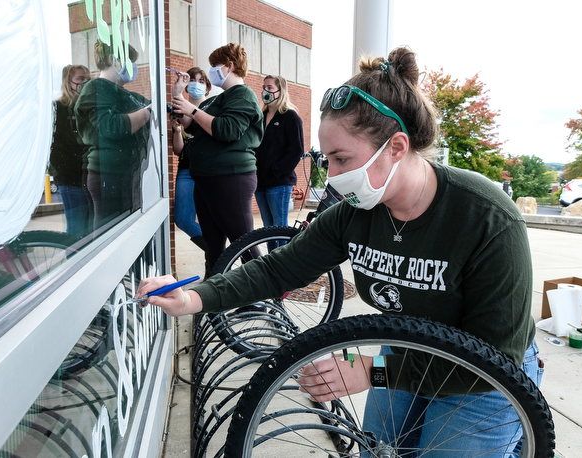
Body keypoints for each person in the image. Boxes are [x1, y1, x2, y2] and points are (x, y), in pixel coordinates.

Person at [140, 46, 541, 455]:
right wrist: (193, 296)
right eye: (326, 159)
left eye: (342, 158)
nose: (332, 175)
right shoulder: (355, 213)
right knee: (377, 449)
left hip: (483, 376)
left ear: (397, 148)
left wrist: (372, 370)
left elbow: (493, 359)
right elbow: (278, 270)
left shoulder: (486, 218)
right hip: (409, 349)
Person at [170, 43, 264, 276]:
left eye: (214, 66)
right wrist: (177, 95)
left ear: (229, 66)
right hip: (207, 179)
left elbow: (227, 130)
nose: (211, 70)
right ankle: (213, 298)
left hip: (230, 178)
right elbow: (191, 126)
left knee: (244, 243)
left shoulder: (243, 95)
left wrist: (192, 111)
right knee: (213, 246)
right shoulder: (216, 100)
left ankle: (266, 294)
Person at [75, 39, 151, 230]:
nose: (133, 66)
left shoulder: (123, 93)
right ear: (112, 59)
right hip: (108, 176)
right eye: (129, 60)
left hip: (125, 175)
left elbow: (154, 104)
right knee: (108, 236)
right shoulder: (96, 88)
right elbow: (110, 126)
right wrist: (148, 112)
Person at [253, 75, 304, 251]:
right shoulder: (261, 116)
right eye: (264, 87)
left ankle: (283, 269)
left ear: (280, 91)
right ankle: (271, 267)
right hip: (260, 183)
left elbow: (297, 150)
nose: (265, 92)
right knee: (268, 228)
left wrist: (276, 170)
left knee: (279, 228)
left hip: (279, 183)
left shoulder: (290, 117)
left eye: (269, 88)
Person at [171, 67, 211, 252]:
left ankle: (212, 266)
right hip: (186, 170)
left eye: (201, 80)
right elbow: (178, 151)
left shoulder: (212, 106)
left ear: (207, 86)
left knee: (211, 221)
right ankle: (217, 252)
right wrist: (178, 132)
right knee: (183, 219)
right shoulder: (181, 109)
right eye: (193, 80)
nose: (197, 84)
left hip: (208, 171)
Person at [49, 64, 92, 237]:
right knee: (75, 232)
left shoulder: (88, 107)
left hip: (89, 177)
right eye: (80, 79)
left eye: (87, 79)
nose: (85, 83)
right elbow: (54, 147)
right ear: (68, 82)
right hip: (70, 180)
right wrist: (66, 168)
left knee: (91, 230)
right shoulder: (57, 109)